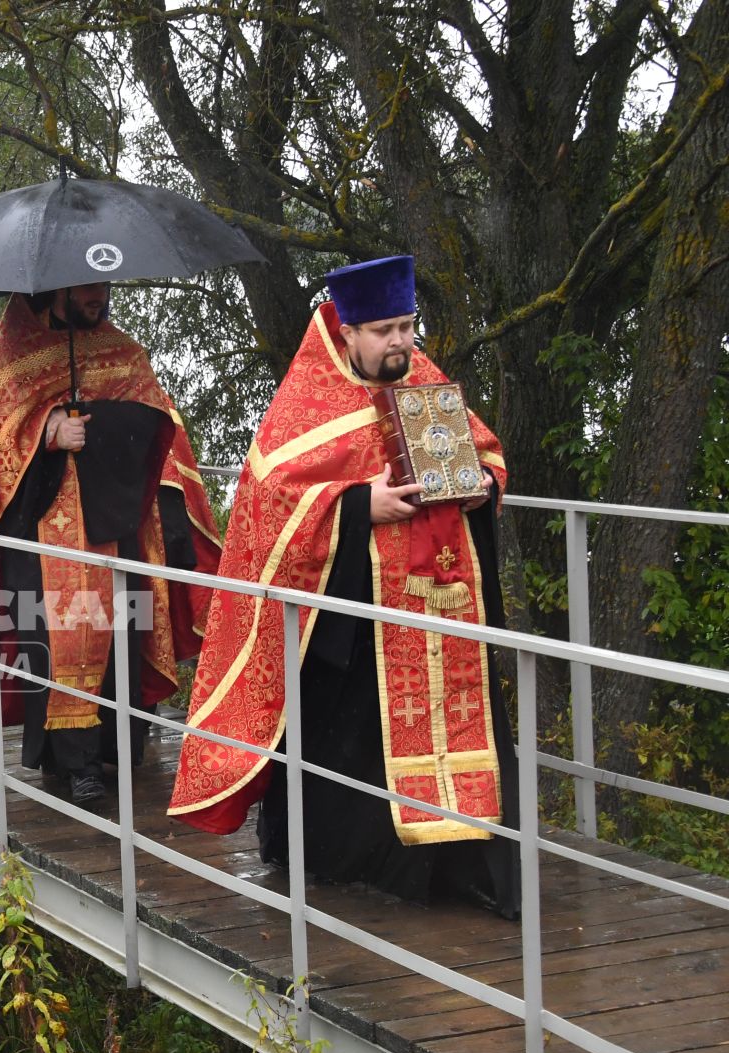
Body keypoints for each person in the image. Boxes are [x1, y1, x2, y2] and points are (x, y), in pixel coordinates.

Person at [168, 255, 518, 917]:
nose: (398, 343)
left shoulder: (424, 380)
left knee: (462, 729)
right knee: (350, 761)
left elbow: (485, 451)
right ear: (347, 329)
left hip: (439, 613)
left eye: (407, 327)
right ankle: (356, 867)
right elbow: (270, 510)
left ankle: (460, 863)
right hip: (353, 632)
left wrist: (482, 486)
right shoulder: (305, 402)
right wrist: (360, 508)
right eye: (383, 330)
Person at [0, 285, 222, 808]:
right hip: (41, 530)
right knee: (58, 643)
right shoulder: (11, 359)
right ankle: (75, 764)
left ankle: (115, 745)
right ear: (58, 287)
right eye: (87, 288)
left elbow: (157, 425)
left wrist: (100, 426)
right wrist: (48, 431)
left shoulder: (123, 353)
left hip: (114, 523)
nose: (99, 296)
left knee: (119, 635)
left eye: (105, 287)